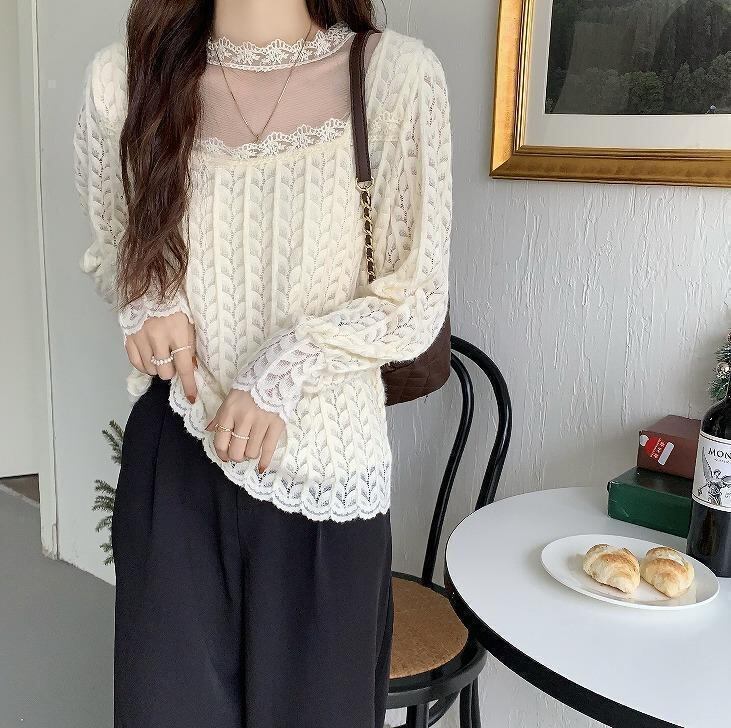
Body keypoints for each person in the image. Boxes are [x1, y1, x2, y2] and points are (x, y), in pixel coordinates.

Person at [73, 0, 451, 725]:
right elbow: (115, 243)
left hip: (327, 473)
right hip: (177, 460)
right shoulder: (122, 80)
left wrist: (286, 367)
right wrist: (148, 298)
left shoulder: (394, 78)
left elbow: (414, 296)